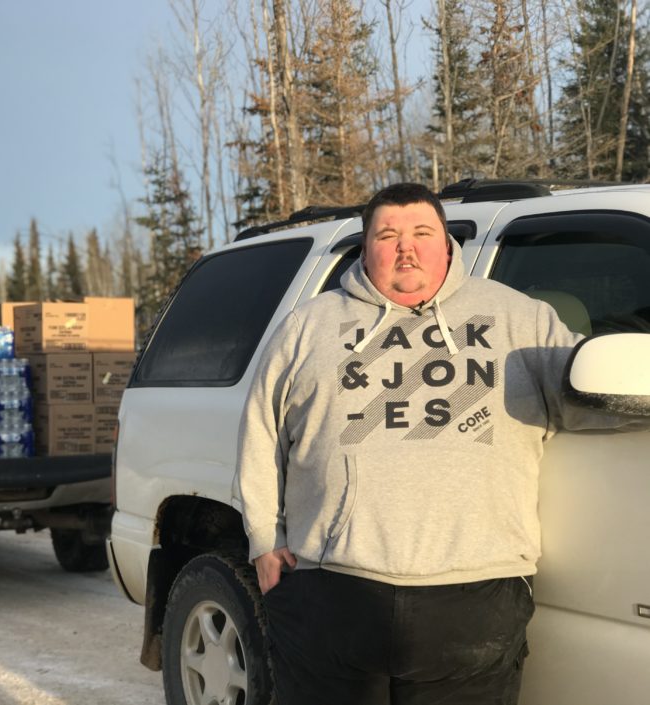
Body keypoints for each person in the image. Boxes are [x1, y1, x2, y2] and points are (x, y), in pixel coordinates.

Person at [234, 182, 628, 705]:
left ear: (446, 245)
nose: (405, 247)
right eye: (387, 235)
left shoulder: (518, 318)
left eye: (422, 232)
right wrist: (263, 539)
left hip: (475, 595)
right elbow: (260, 428)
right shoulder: (309, 326)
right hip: (333, 588)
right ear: (364, 247)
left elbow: (591, 386)